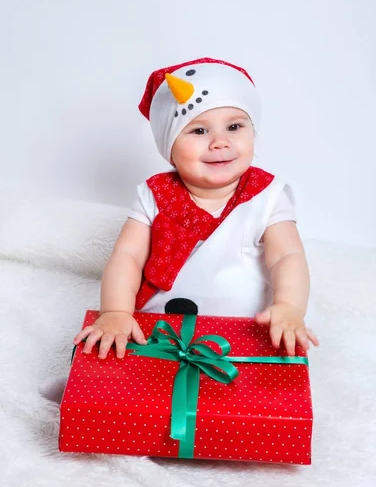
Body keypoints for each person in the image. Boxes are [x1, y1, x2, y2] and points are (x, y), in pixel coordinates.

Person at [73, 57, 319, 361]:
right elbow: (128, 256)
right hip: (161, 324)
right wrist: (115, 312)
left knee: (243, 394)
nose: (219, 142)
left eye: (234, 126)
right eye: (199, 131)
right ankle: (85, 390)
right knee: (128, 366)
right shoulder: (154, 193)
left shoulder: (268, 195)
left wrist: (289, 307)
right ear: (170, 150)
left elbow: (287, 256)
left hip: (247, 328)